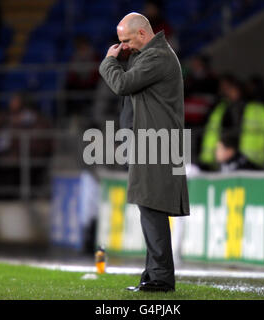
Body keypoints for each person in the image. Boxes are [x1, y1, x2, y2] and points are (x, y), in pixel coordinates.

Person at [99, 12, 190, 292]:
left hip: (158, 144)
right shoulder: (149, 54)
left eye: (126, 41)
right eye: (119, 43)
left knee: (152, 207)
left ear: (141, 34)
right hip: (149, 142)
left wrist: (109, 62)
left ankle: (161, 277)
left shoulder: (158, 57)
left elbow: (122, 84)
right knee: (149, 206)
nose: (123, 46)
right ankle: (153, 274)